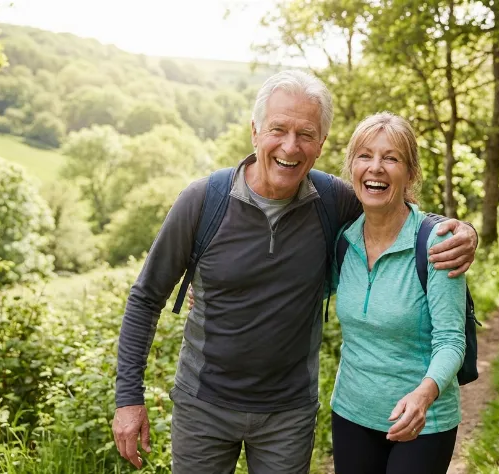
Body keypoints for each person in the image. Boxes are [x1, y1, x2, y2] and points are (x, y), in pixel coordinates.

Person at [112, 70, 477, 473]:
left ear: (320, 144)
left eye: (305, 134)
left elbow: (396, 213)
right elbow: (146, 297)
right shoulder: (203, 202)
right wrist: (129, 398)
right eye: (278, 129)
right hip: (204, 407)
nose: (290, 145)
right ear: (254, 131)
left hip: (288, 416)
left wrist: (463, 231)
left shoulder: (333, 201)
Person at [330, 112, 466, 474]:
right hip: (351, 413)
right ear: (351, 168)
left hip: (422, 422)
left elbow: (452, 340)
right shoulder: (343, 241)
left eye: (391, 158)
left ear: (410, 173)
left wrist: (424, 395)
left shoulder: (438, 242)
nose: (376, 168)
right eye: (365, 156)